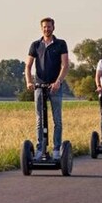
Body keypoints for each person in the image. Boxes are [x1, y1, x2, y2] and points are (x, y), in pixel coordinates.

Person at [24, 17, 69, 159]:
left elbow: (65, 65)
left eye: (49, 27)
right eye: (44, 27)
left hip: (55, 86)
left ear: (53, 27)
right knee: (39, 119)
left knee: (57, 119)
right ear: (41, 28)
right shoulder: (35, 45)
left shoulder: (60, 44)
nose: (47, 29)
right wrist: (29, 81)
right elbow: (28, 66)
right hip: (39, 85)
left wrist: (58, 82)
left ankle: (56, 149)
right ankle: (40, 149)